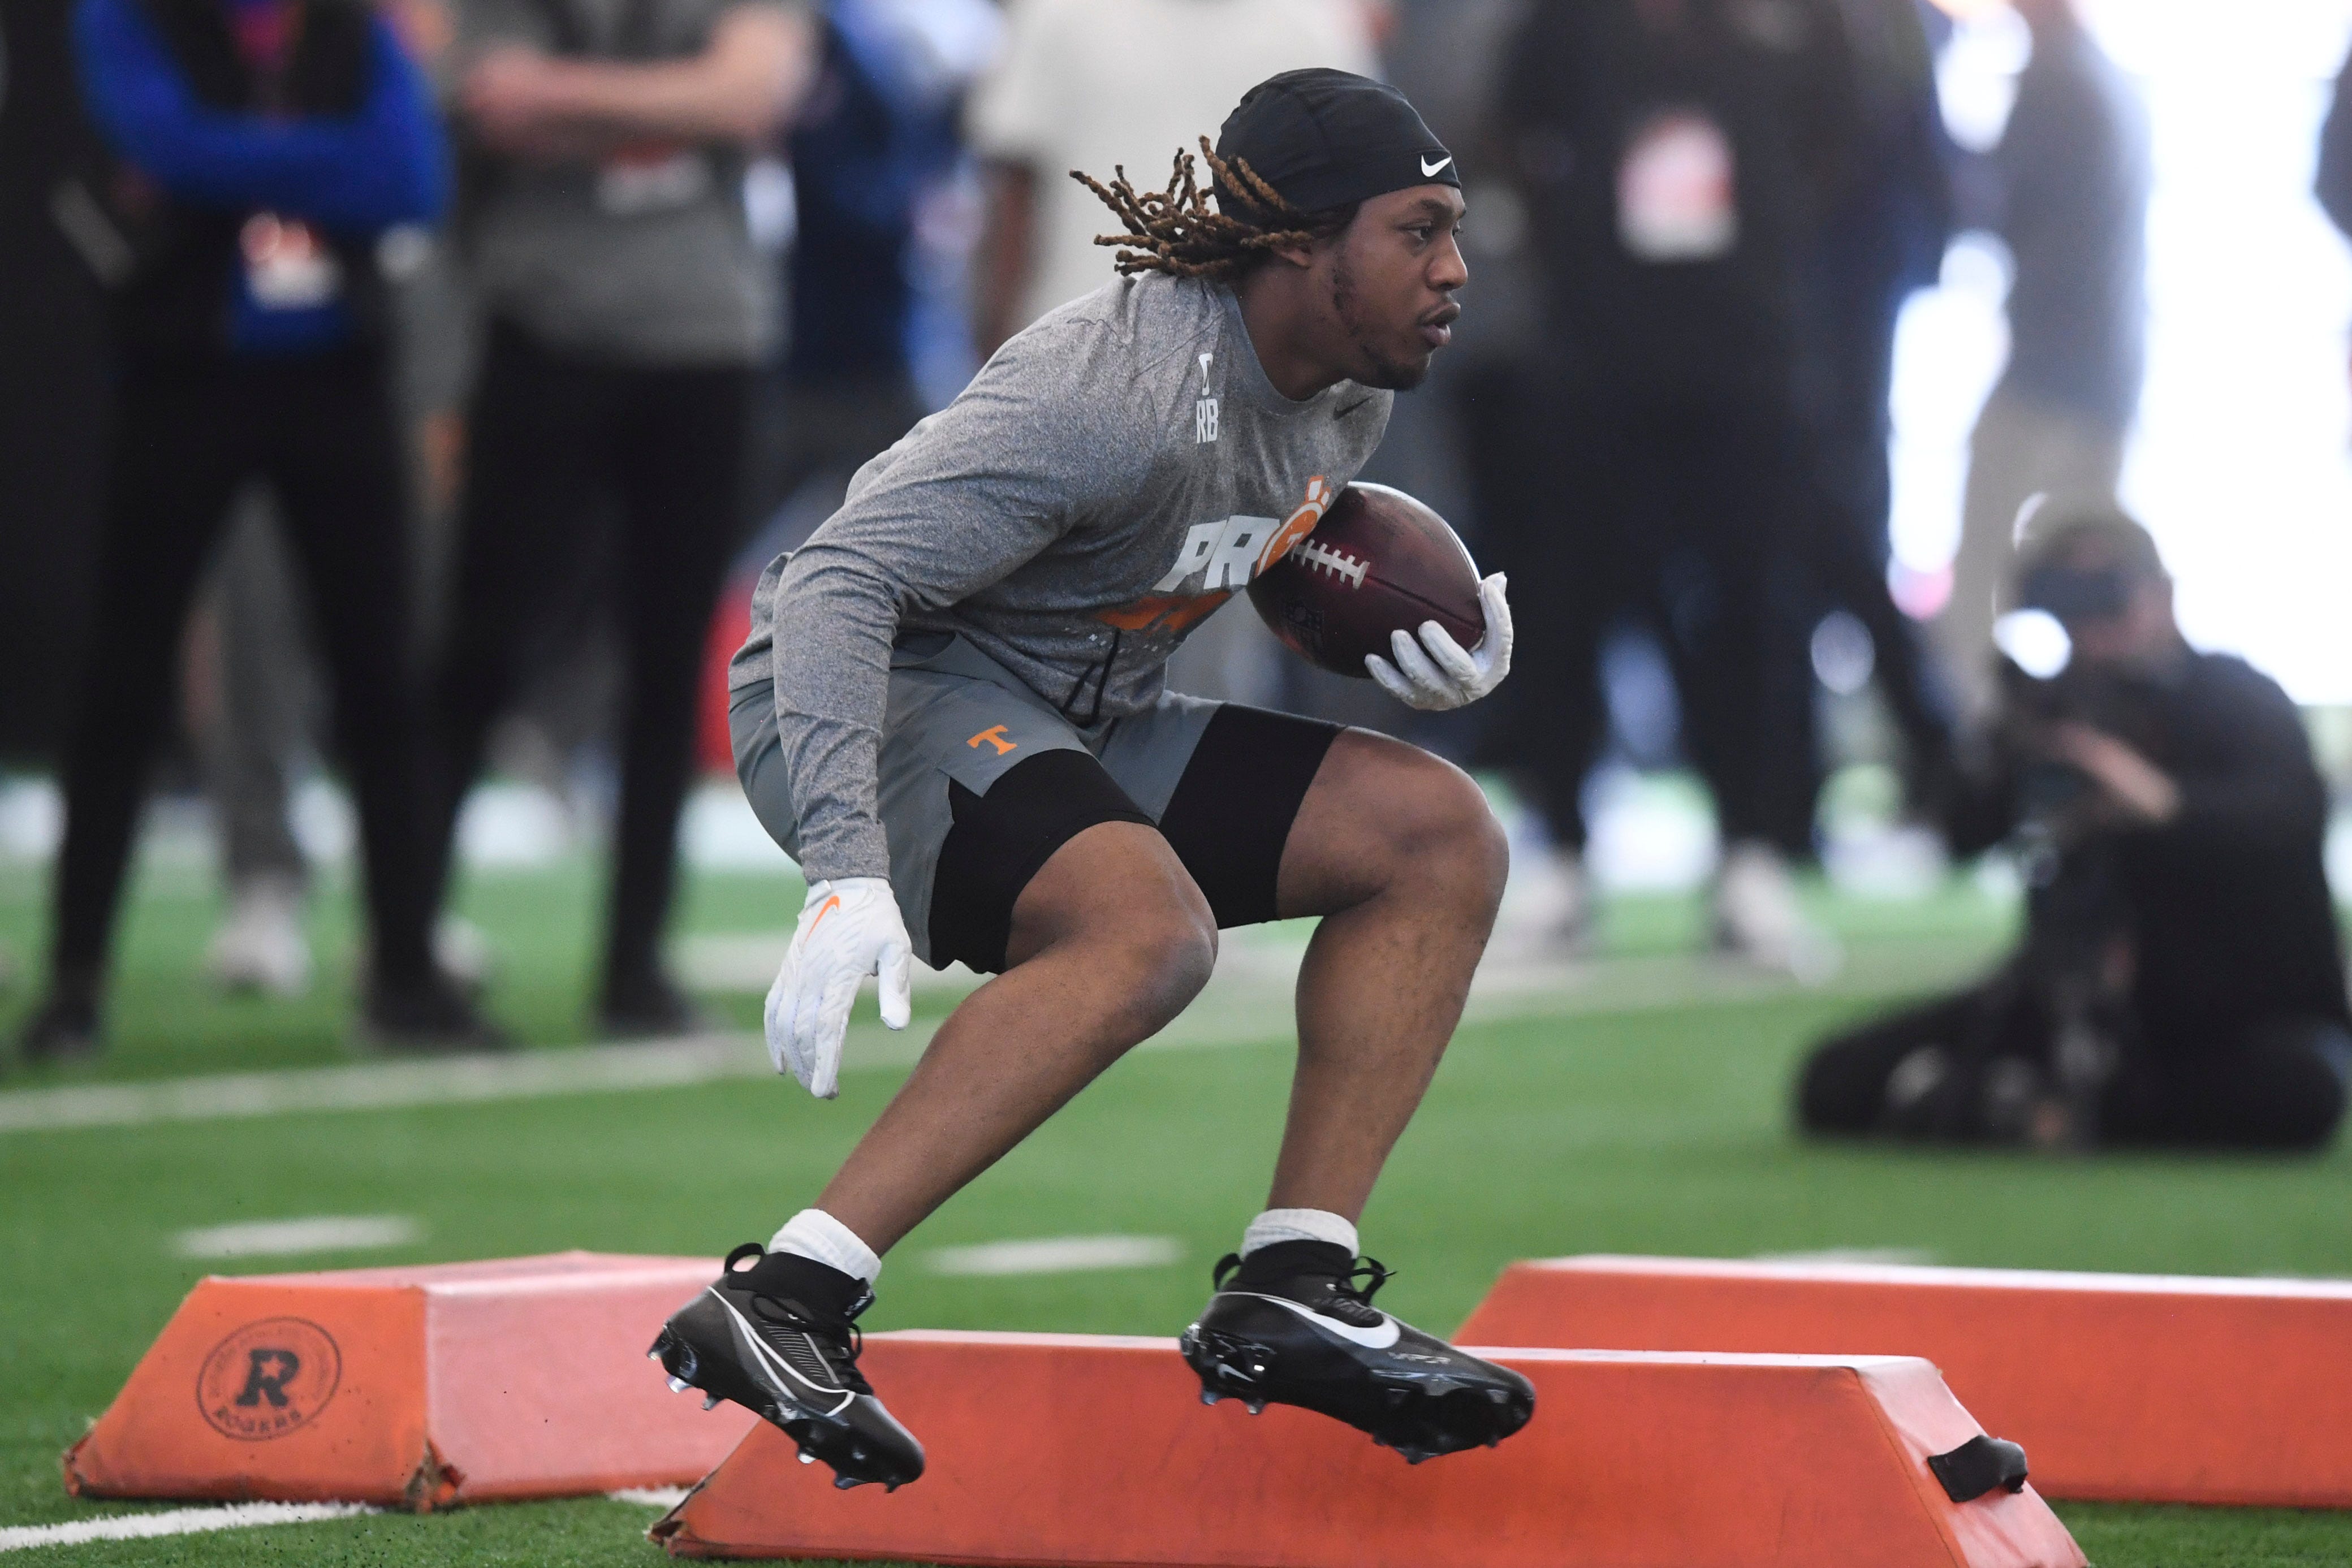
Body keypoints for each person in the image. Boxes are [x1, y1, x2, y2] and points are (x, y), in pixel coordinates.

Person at [649, 70, 1534, 1491]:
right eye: (1419, 229)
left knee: (1435, 834)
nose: (1454, 269)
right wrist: (843, 860)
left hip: (1083, 702)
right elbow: (831, 580)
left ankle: (1293, 1280)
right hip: (885, 688)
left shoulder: (1343, 395)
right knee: (1146, 929)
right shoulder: (1109, 394)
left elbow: (1203, 545)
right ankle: (784, 1300)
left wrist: (1409, 633)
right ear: (1302, 244)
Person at [16, 0, 495, 1062]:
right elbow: (156, 141)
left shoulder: (349, 27)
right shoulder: (129, 19)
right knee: (123, 681)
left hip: (336, 373)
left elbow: (407, 179)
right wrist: (309, 164)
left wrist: (234, 164)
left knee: (382, 679)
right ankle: (74, 979)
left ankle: (405, 969)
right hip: (183, 373)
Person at [430, 0, 813, 1037]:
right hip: (542, 323)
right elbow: (488, 104)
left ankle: (634, 962)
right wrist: (681, 102)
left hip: (706, 338)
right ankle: (405, 947)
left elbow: (752, 92)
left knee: (670, 658)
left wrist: (569, 96)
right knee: (480, 649)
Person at [1490, 0, 1862, 973]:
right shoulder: (1565, 27)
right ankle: (1563, 853)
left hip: (1743, 358)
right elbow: (1511, 135)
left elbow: (1837, 142)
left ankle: (1750, 852)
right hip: (1595, 358)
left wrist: (1762, 250)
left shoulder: (1796, 22)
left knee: (1752, 607)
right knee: (1564, 605)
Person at [1798, 511, 2349, 1151]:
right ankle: (2044, 1107)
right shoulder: (2051, 708)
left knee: (2303, 1087)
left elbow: (2286, 820)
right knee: (1834, 1079)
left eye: (2105, 592)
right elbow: (1962, 835)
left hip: (2221, 1012)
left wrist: (2158, 802)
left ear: (2157, 593)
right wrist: (2003, 750)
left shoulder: (2231, 695)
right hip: (2064, 1000)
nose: (2091, 624)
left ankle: (2023, 1110)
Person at [1935, 0, 2147, 720]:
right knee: (2089, 572)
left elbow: (1991, 205)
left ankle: (1977, 741)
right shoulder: (2105, 77)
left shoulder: (2057, 82)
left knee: (1985, 564)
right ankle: (2092, 732)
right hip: (2104, 371)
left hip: (2052, 372)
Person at [964, 0, 1374, 357]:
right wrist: (996, 347)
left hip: (1258, 375)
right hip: (1071, 360)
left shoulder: (1320, 27)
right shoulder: (1058, 14)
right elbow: (1014, 196)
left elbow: (1351, 211)